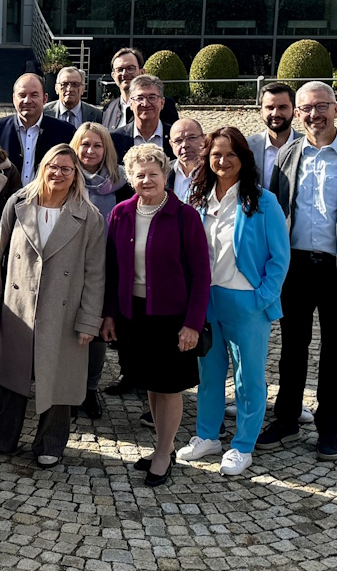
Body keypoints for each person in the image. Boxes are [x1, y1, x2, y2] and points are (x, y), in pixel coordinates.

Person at [256, 82, 337, 463]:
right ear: (297, 114)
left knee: (336, 350)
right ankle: (286, 417)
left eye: (320, 107)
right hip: (295, 267)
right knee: (293, 347)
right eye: (306, 109)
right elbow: (275, 212)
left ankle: (328, 423)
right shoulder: (288, 156)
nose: (313, 115)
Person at [0, 145, 107, 468]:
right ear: (42, 167)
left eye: (66, 169)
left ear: (75, 174)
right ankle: (3, 436)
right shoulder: (19, 203)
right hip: (18, 305)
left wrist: (89, 320)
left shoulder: (89, 216)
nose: (58, 174)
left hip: (63, 311)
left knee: (58, 379)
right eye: (53, 166)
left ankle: (50, 442)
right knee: (12, 375)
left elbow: (95, 273)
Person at [178, 126, 291, 477]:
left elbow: (279, 258)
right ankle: (207, 436)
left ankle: (243, 444)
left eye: (230, 154)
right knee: (209, 374)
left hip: (247, 303)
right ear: (207, 159)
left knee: (249, 378)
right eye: (216, 155)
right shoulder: (198, 202)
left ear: (243, 158)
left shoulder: (262, 201)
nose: (223, 161)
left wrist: (261, 299)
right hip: (206, 301)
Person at [100, 142, 210, 489]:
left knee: (169, 386)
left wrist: (192, 322)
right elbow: (112, 268)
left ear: (165, 175)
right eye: (138, 174)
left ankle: (164, 452)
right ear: (129, 178)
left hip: (171, 316)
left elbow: (201, 274)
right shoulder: (120, 213)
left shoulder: (184, 216)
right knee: (150, 381)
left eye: (153, 173)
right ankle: (161, 446)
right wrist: (109, 315)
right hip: (134, 314)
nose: (146, 180)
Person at [70, 122, 124, 419]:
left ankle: (90, 389)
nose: (90, 151)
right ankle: (68, 389)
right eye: (85, 144)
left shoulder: (120, 184)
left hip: (104, 266)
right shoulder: (64, 177)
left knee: (98, 330)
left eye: (97, 145)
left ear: (106, 150)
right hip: (68, 267)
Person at [0, 73, 76, 185]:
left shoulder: (65, 132)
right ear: (14, 98)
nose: (27, 101)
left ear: (45, 99)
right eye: (22, 95)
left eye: (34, 95)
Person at [99, 49, 180, 135]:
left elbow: (175, 137)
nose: (124, 73)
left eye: (130, 68)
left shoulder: (160, 105)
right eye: (119, 69)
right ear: (113, 75)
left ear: (142, 72)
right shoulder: (109, 109)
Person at [111, 74, 175, 160]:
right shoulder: (114, 139)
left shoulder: (175, 137)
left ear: (162, 103)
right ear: (130, 103)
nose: (146, 104)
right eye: (140, 98)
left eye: (152, 98)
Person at [248, 82, 302, 183]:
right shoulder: (247, 147)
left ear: (294, 110)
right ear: (261, 111)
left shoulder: (308, 146)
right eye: (270, 108)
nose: (275, 113)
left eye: (282, 107)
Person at [168, 118, 206, 203]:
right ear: (171, 144)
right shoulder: (164, 172)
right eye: (178, 141)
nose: (185, 145)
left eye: (191, 138)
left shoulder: (213, 171)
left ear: (204, 139)